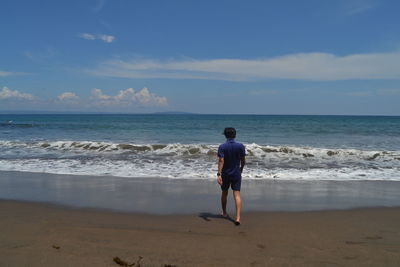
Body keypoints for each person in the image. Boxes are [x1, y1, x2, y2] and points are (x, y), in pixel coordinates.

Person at [217, 127, 246, 225]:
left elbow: (221, 161)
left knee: (224, 193)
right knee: (237, 195)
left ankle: (224, 213)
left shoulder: (222, 147)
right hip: (236, 173)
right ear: (235, 135)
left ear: (225, 135)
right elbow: (243, 160)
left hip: (225, 174)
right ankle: (237, 218)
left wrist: (219, 174)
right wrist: (241, 169)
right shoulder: (240, 146)